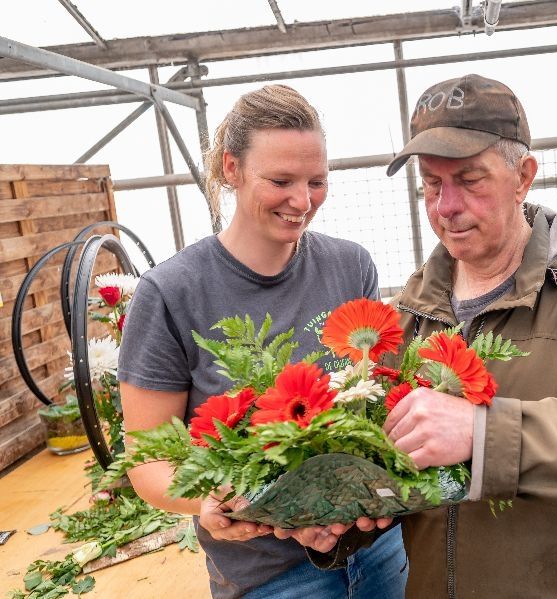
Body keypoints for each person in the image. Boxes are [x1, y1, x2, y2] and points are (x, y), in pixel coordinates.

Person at [300, 74, 557, 597]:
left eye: (470, 180)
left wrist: (486, 436)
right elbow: (390, 480)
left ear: (523, 177)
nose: (445, 206)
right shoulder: (407, 319)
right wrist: (335, 523)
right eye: (431, 184)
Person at [117, 84, 406, 599]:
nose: (303, 201)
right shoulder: (171, 293)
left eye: (316, 181)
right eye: (281, 180)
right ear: (231, 169)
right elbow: (147, 460)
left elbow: (375, 406)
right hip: (271, 575)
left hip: (376, 551)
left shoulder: (350, 265)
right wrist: (212, 501)